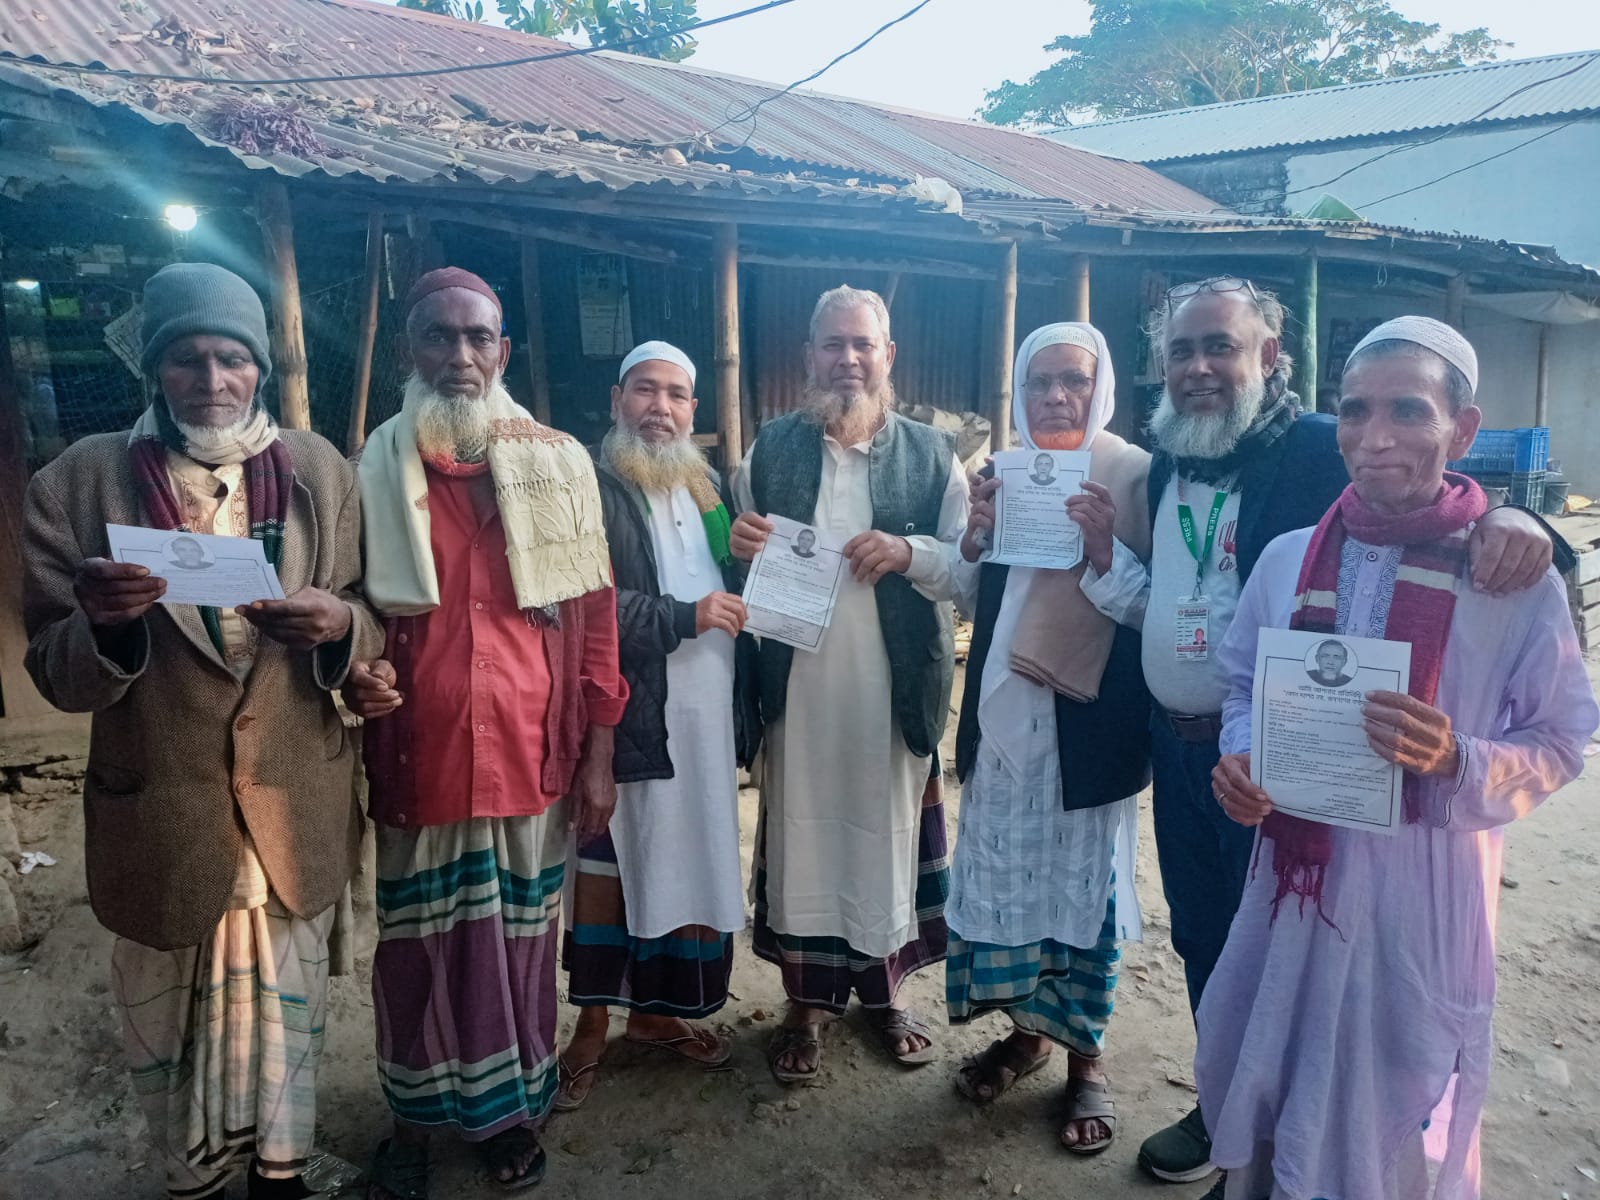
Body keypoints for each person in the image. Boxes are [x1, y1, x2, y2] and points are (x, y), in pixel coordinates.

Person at [1077, 276, 1563, 1194]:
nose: (1373, 435)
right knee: (1225, 951)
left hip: (1407, 851)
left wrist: (1515, 517)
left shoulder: (1316, 451)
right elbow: (1221, 643)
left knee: (1381, 1017)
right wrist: (1234, 745)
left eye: (1220, 346)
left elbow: (1431, 503)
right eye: (1181, 351)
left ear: (1271, 359)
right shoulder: (1173, 459)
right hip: (1212, 760)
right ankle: (1233, 1123)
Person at [1199, 316, 1597, 1199]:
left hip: (1424, 896)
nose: (1374, 437)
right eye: (1355, 410)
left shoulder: (1508, 581)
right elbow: (1241, 686)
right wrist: (1244, 759)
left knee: (1395, 1106)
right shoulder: (1288, 559)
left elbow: (1560, 739)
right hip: (1294, 885)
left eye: (1408, 411)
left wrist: (1458, 758)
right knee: (1278, 1072)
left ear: (1463, 429)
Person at [22, 262, 382, 1200]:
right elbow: (51, 667)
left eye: (232, 359)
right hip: (163, 810)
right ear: (154, 367)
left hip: (293, 799)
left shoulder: (318, 471)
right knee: (167, 1019)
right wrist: (103, 627)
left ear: (260, 367)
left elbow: (365, 609)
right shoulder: (78, 482)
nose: (213, 381)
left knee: (288, 1010)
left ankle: (282, 1169)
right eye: (187, 359)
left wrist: (339, 626)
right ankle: (194, 1177)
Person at [345, 268, 627, 1199]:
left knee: (519, 948)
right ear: (409, 350)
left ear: (503, 353)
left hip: (527, 753)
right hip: (418, 756)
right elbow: (346, 608)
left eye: (478, 339)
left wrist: (598, 751)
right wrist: (354, 668)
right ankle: (413, 1121)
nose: (460, 357)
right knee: (415, 953)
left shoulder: (560, 465)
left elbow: (594, 619)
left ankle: (510, 1115)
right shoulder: (367, 471)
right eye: (439, 336)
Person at [730, 284, 967, 1084]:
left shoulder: (933, 455)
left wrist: (909, 553)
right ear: (809, 356)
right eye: (832, 344)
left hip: (891, 692)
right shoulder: (768, 452)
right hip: (798, 693)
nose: (848, 359)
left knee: (884, 841)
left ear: (888, 355)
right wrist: (740, 544)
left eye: (863, 344)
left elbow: (967, 571)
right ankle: (806, 1005)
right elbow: (740, 560)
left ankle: (885, 996)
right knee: (806, 843)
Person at [945, 323, 1151, 1156]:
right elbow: (974, 598)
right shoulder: (1006, 470)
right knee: (1015, 886)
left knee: (1081, 895)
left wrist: (1103, 549)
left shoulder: (1132, 475)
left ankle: (1086, 1059)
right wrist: (975, 536)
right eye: (1041, 382)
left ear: (1101, 390)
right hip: (1005, 720)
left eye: (1075, 381)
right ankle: (1029, 1037)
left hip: (1086, 725)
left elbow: (1157, 610)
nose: (1057, 397)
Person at [556, 341, 751, 1109]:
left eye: (675, 394)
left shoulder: (708, 488)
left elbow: (733, 584)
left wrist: (753, 558)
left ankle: (656, 1017)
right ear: (616, 401)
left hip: (705, 720)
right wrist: (681, 616)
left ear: (693, 410)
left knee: (687, 860)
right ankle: (590, 1028)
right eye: (644, 390)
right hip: (629, 715)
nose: (659, 407)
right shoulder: (588, 485)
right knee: (613, 868)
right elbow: (581, 606)